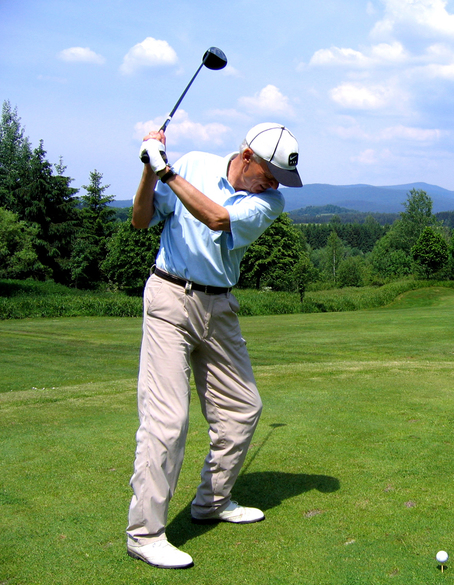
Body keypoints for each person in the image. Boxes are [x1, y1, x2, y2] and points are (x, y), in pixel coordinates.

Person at [126, 123, 302, 569]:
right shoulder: (192, 165)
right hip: (169, 297)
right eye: (269, 173)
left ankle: (212, 501)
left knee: (243, 406)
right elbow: (141, 219)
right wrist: (151, 168)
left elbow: (218, 218)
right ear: (247, 156)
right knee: (167, 420)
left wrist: (165, 171)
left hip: (219, 306)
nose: (274, 184)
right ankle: (145, 534)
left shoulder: (269, 201)